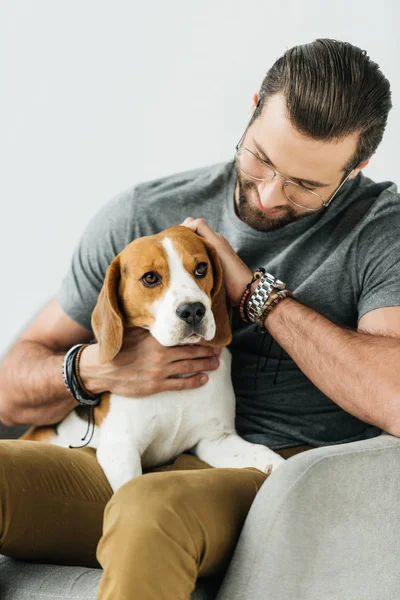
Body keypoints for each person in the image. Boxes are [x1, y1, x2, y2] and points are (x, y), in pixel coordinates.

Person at [0, 37, 399, 600]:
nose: (267, 195)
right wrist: (96, 370)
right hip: (121, 454)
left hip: (274, 479)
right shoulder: (141, 214)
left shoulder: (382, 234)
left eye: (305, 185)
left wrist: (257, 295)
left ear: (357, 166)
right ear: (255, 104)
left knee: (146, 509)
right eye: (261, 157)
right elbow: (10, 387)